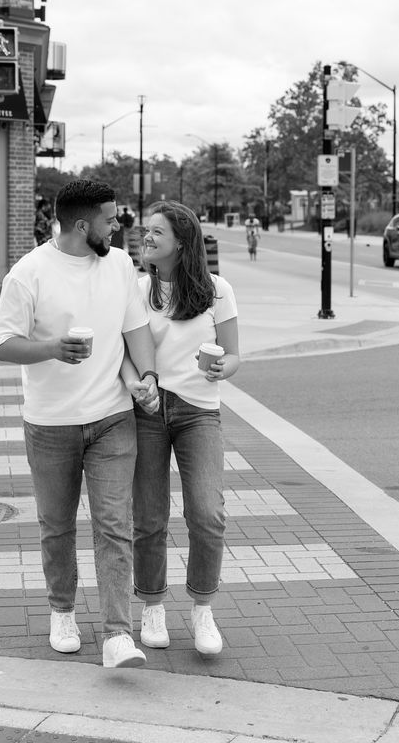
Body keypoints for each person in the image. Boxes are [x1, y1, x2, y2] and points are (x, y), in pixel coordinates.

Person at [0, 179, 159, 669]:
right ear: (83, 225)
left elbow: (136, 328)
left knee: (114, 525)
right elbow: (3, 343)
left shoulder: (121, 265)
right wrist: (52, 348)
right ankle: (61, 610)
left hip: (112, 417)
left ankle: (116, 635)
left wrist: (146, 375)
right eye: (110, 218)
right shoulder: (29, 274)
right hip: (50, 422)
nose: (118, 225)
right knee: (57, 526)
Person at [121, 200, 240, 657]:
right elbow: (125, 352)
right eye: (145, 231)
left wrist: (220, 371)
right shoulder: (135, 288)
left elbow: (232, 355)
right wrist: (138, 384)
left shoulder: (217, 289)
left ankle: (202, 607)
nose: (145, 238)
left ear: (182, 242)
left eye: (156, 233)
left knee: (207, 515)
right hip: (149, 410)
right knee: (149, 518)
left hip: (198, 412)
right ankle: (151, 605)